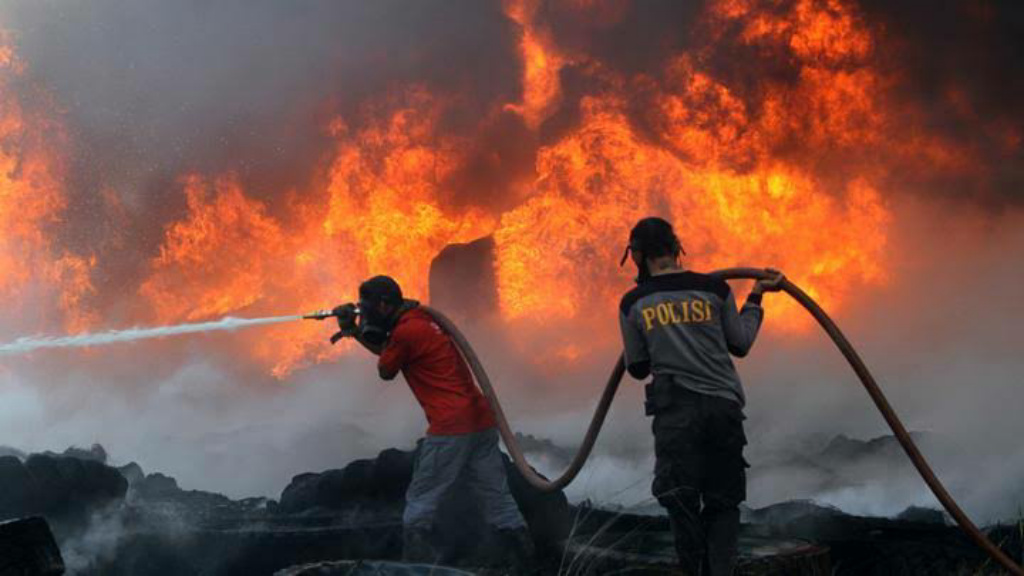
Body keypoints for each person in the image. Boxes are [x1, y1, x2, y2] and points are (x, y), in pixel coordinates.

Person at [617, 217, 784, 576]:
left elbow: (638, 368)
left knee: (681, 500)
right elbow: (740, 344)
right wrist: (756, 296)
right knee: (723, 501)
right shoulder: (715, 289)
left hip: (676, 416)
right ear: (677, 249)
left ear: (638, 255)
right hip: (723, 410)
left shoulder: (632, 303)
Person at [330, 275, 533, 568]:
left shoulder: (406, 332)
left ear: (385, 306)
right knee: (497, 496)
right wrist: (356, 332)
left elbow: (386, 369)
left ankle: (416, 565)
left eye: (369, 308)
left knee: (421, 499)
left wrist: (356, 329)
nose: (366, 312)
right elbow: (394, 354)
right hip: (481, 422)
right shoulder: (421, 322)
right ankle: (525, 560)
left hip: (451, 427)